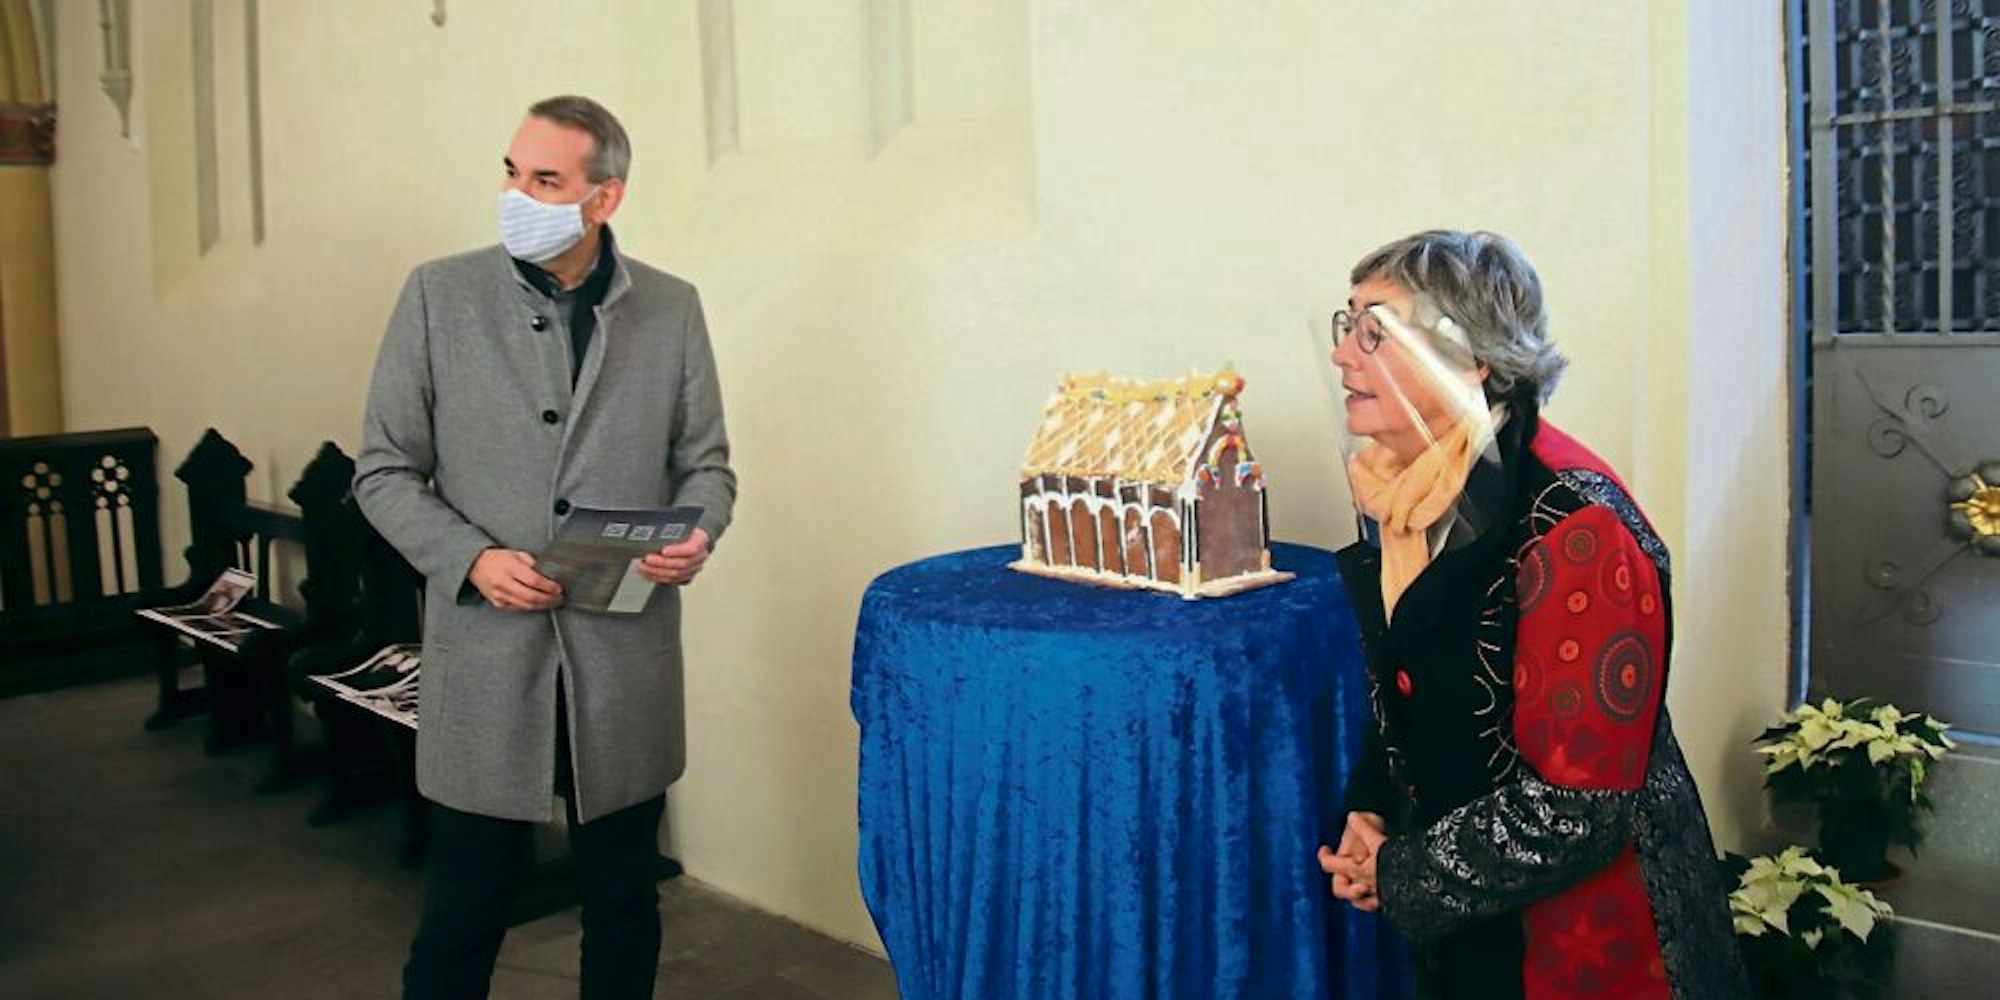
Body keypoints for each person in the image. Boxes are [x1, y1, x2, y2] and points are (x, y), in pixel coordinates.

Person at [354, 95, 736, 999]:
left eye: (546, 179)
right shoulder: (438, 296)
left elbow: (707, 466)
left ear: (604, 199)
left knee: (625, 904)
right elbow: (382, 471)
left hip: (623, 662)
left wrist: (697, 530)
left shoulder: (671, 307)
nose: (516, 194)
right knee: (463, 913)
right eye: (511, 171)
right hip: (490, 660)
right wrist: (471, 560)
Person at [1313, 231, 1748, 999]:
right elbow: (1414, 686)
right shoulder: (1403, 486)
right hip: (1476, 927)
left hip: (1589, 943)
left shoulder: (1576, 527)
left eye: (1376, 331)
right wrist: (1372, 809)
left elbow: (1581, 806)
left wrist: (1402, 872)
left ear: (1472, 358)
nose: (1344, 354)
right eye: (1347, 325)